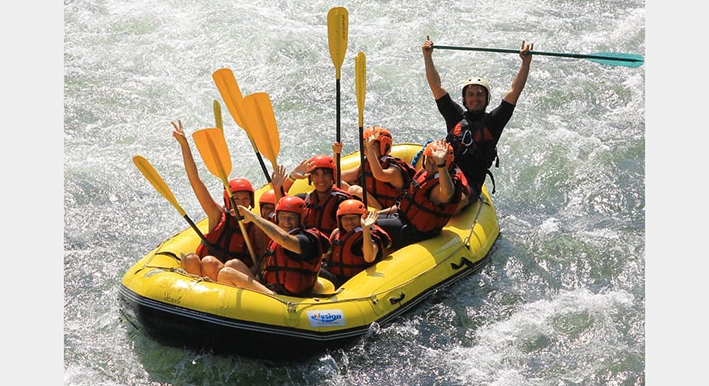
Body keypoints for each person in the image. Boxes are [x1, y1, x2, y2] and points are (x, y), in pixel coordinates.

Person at [422, 36, 533, 202]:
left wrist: (525, 63)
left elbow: (514, 91)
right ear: (464, 99)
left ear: (487, 99)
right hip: (445, 172)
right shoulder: (455, 116)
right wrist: (427, 56)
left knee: (453, 200)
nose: (475, 99)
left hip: (470, 184)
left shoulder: (494, 122)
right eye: (471, 95)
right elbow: (436, 86)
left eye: (480, 95)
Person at [172, 120, 265, 280]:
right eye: (236, 199)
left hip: (233, 278)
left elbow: (263, 259)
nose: (241, 203)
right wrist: (184, 146)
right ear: (228, 201)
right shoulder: (217, 215)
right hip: (208, 279)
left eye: (245, 198)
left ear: (251, 201)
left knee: (213, 263)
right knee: (191, 259)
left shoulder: (256, 227)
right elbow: (195, 181)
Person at [217, 195, 331, 296]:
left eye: (292, 217)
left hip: (286, 299)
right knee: (233, 264)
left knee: (226, 273)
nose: (286, 222)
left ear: (301, 218)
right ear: (277, 217)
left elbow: (284, 239)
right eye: (283, 217)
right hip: (270, 290)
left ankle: (222, 314)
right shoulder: (276, 239)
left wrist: (253, 217)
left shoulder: (307, 240)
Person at [376, 139, 469, 250]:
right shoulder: (425, 174)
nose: (430, 167)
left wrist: (441, 164)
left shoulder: (443, 185)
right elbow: (403, 206)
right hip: (402, 220)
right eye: (429, 162)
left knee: (369, 226)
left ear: (446, 164)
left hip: (415, 233)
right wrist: (377, 213)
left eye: (435, 164)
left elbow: (447, 193)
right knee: (365, 220)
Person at [333, 126, 416, 210]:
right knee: (340, 184)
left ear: (384, 148)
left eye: (371, 147)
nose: (366, 151)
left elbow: (379, 174)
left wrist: (369, 148)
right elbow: (336, 176)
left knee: (355, 189)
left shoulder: (394, 170)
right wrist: (336, 154)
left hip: (385, 211)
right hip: (368, 205)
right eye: (364, 147)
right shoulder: (365, 165)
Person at [321, 199, 391, 288]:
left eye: (354, 218)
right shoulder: (336, 233)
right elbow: (326, 254)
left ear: (362, 218)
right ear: (340, 220)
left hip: (355, 282)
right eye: (345, 218)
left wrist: (365, 229)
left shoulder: (366, 236)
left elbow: (369, 258)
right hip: (335, 277)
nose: (349, 222)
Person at [283, 154, 354, 236]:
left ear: (332, 176)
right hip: (307, 243)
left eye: (325, 174)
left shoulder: (342, 200)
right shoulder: (305, 198)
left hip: (331, 245)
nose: (321, 179)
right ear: (311, 177)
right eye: (316, 174)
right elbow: (282, 204)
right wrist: (292, 178)